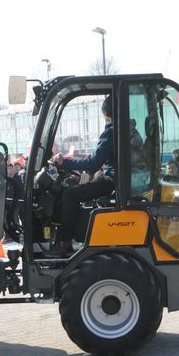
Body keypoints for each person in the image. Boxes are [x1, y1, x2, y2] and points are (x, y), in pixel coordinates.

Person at [45, 95, 115, 258]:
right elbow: (97, 160)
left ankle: (64, 243)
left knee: (69, 194)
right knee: (85, 184)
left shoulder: (111, 132)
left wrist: (64, 163)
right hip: (116, 180)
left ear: (105, 113)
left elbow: (92, 163)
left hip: (112, 181)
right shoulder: (127, 129)